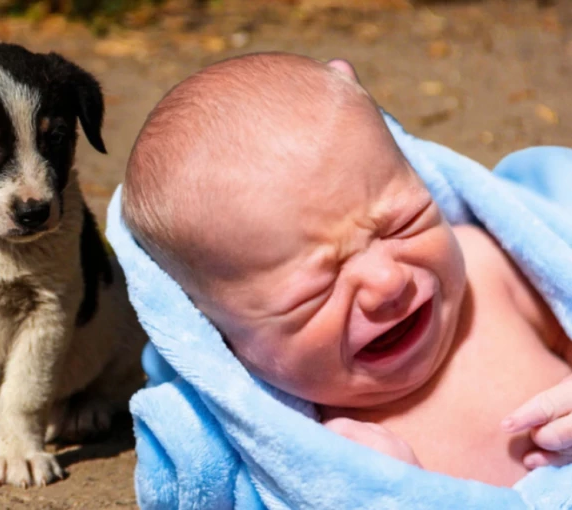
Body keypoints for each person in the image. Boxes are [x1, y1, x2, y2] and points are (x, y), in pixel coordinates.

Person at [121, 52, 572, 487]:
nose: (388, 282)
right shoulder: (293, 446)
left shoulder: (492, 272)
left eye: (401, 224)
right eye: (317, 287)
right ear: (217, 333)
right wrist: (391, 494)